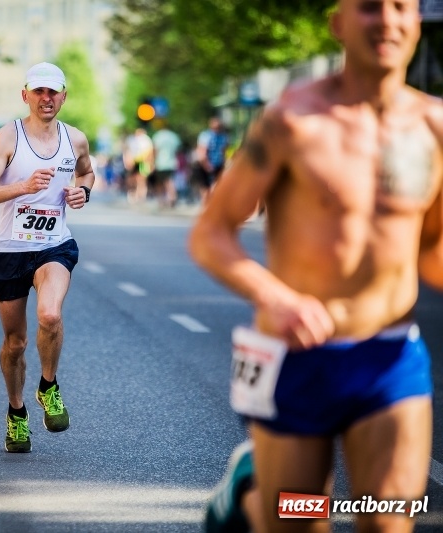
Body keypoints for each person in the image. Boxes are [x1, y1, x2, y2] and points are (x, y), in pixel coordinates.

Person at [189, 1, 442, 531]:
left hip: (389, 357)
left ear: (418, 23)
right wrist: (277, 298)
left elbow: (431, 248)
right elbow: (212, 233)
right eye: (370, 7)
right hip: (297, 357)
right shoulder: (290, 120)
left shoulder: (433, 127)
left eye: (401, 8)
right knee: (298, 519)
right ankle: (249, 498)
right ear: (338, 24)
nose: (388, 21)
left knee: (390, 518)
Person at [0, 62, 95, 453]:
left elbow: (87, 174)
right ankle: (17, 413)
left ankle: (48, 385)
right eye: (38, 91)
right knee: (15, 343)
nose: (46, 98)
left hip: (54, 245)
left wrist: (83, 193)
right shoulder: (9, 137)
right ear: (25, 95)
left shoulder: (75, 140)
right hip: (9, 250)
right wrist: (21, 187)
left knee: (50, 315)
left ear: (63, 96)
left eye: (53, 92)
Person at [194, 116, 229, 204]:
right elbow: (223, 152)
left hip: (210, 164)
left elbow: (202, 153)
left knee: (207, 188)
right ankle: (209, 206)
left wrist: (206, 165)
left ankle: (207, 207)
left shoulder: (206, 135)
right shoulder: (223, 137)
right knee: (212, 187)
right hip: (213, 164)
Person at [150, 119, 182, 208]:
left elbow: (155, 150)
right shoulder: (174, 136)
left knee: (159, 183)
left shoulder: (158, 136)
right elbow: (178, 150)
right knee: (170, 181)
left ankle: (161, 200)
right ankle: (172, 197)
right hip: (172, 162)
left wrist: (152, 162)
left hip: (160, 163)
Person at [123, 127, 154, 203]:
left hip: (143, 162)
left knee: (141, 180)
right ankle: (134, 194)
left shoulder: (146, 141)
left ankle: (141, 195)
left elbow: (150, 153)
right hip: (134, 162)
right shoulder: (133, 140)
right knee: (133, 179)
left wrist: (150, 163)